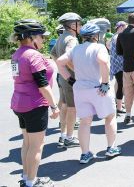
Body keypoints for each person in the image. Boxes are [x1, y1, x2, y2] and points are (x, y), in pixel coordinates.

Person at [57, 23, 121, 164]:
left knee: (85, 122)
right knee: (110, 117)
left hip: (80, 89)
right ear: (96, 36)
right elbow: (104, 62)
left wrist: (70, 79)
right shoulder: (99, 47)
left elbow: (60, 61)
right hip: (98, 89)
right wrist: (105, 83)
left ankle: (85, 154)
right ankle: (111, 148)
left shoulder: (76, 49)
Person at [11, 19, 59, 187]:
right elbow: (42, 85)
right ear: (31, 37)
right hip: (35, 104)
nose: (43, 40)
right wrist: (54, 106)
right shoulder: (33, 55)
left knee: (27, 143)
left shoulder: (17, 54)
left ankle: (26, 178)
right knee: (37, 147)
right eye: (41, 37)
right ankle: (32, 182)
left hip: (19, 103)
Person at [50, 12, 82, 149]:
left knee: (64, 106)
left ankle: (63, 135)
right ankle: (69, 137)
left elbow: (53, 53)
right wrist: (77, 72)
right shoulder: (71, 39)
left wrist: (61, 69)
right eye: (79, 24)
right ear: (73, 25)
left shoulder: (61, 36)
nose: (81, 26)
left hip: (63, 78)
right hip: (71, 79)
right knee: (72, 108)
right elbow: (68, 57)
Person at [110, 21, 127, 114]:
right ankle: (119, 107)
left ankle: (118, 101)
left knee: (118, 83)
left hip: (115, 64)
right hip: (119, 64)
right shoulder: (118, 37)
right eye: (125, 27)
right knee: (121, 85)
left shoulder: (114, 35)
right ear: (120, 27)